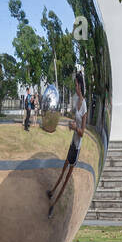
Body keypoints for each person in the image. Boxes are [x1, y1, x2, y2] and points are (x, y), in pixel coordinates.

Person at [47, 72, 88, 219]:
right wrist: (72, 125)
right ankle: (52, 192)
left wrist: (75, 127)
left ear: (80, 85)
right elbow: (75, 121)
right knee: (63, 170)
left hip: (76, 148)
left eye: (76, 84)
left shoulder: (84, 105)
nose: (75, 86)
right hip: (72, 143)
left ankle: (53, 206)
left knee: (66, 179)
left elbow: (83, 132)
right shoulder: (76, 100)